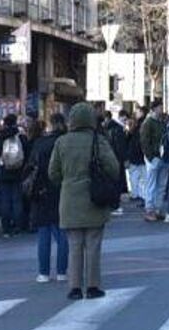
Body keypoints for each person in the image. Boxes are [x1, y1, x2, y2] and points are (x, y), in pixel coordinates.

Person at [49, 102, 119, 300]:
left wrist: (67, 181)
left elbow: (53, 173)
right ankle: (93, 286)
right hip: (94, 198)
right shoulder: (98, 140)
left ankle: (75, 287)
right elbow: (113, 167)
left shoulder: (61, 142)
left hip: (69, 199)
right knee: (93, 245)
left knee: (74, 246)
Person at [25, 115, 69, 284]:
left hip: (41, 191)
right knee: (61, 233)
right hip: (61, 190)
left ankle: (43, 272)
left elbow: (30, 168)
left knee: (43, 233)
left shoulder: (40, 143)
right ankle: (61, 271)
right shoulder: (66, 142)